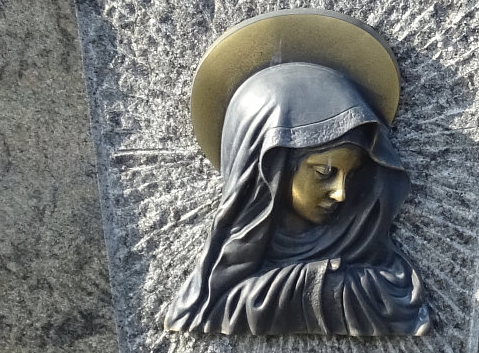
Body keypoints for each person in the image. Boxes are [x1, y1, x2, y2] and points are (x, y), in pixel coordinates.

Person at [165, 60, 434, 338]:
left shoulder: (366, 250)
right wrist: (329, 285)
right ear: (275, 167)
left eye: (351, 174)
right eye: (324, 172)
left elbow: (399, 301)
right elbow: (217, 310)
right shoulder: (213, 295)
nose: (340, 193)